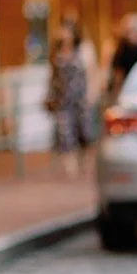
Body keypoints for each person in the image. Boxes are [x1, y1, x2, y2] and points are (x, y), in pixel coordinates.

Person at [45, 20, 94, 179]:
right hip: (62, 99)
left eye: (66, 31)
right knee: (65, 134)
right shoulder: (55, 52)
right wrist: (49, 95)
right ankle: (71, 168)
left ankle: (85, 162)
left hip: (80, 98)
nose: (63, 34)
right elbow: (52, 76)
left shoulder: (83, 50)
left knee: (84, 132)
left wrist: (91, 93)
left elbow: (91, 72)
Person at [105, 12, 137, 100]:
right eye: (127, 31)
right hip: (128, 89)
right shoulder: (123, 48)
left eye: (132, 30)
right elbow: (118, 72)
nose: (129, 35)